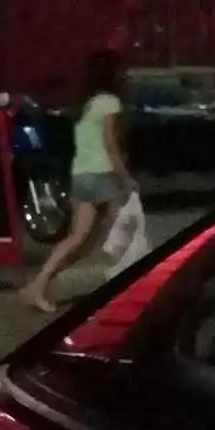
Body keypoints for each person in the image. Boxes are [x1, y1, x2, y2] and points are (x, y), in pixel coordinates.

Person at [22, 50, 134, 313]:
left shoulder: (86, 104)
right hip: (102, 175)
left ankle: (38, 284)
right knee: (121, 231)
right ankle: (129, 287)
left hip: (81, 175)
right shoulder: (109, 102)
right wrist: (126, 178)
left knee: (82, 241)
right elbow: (110, 145)